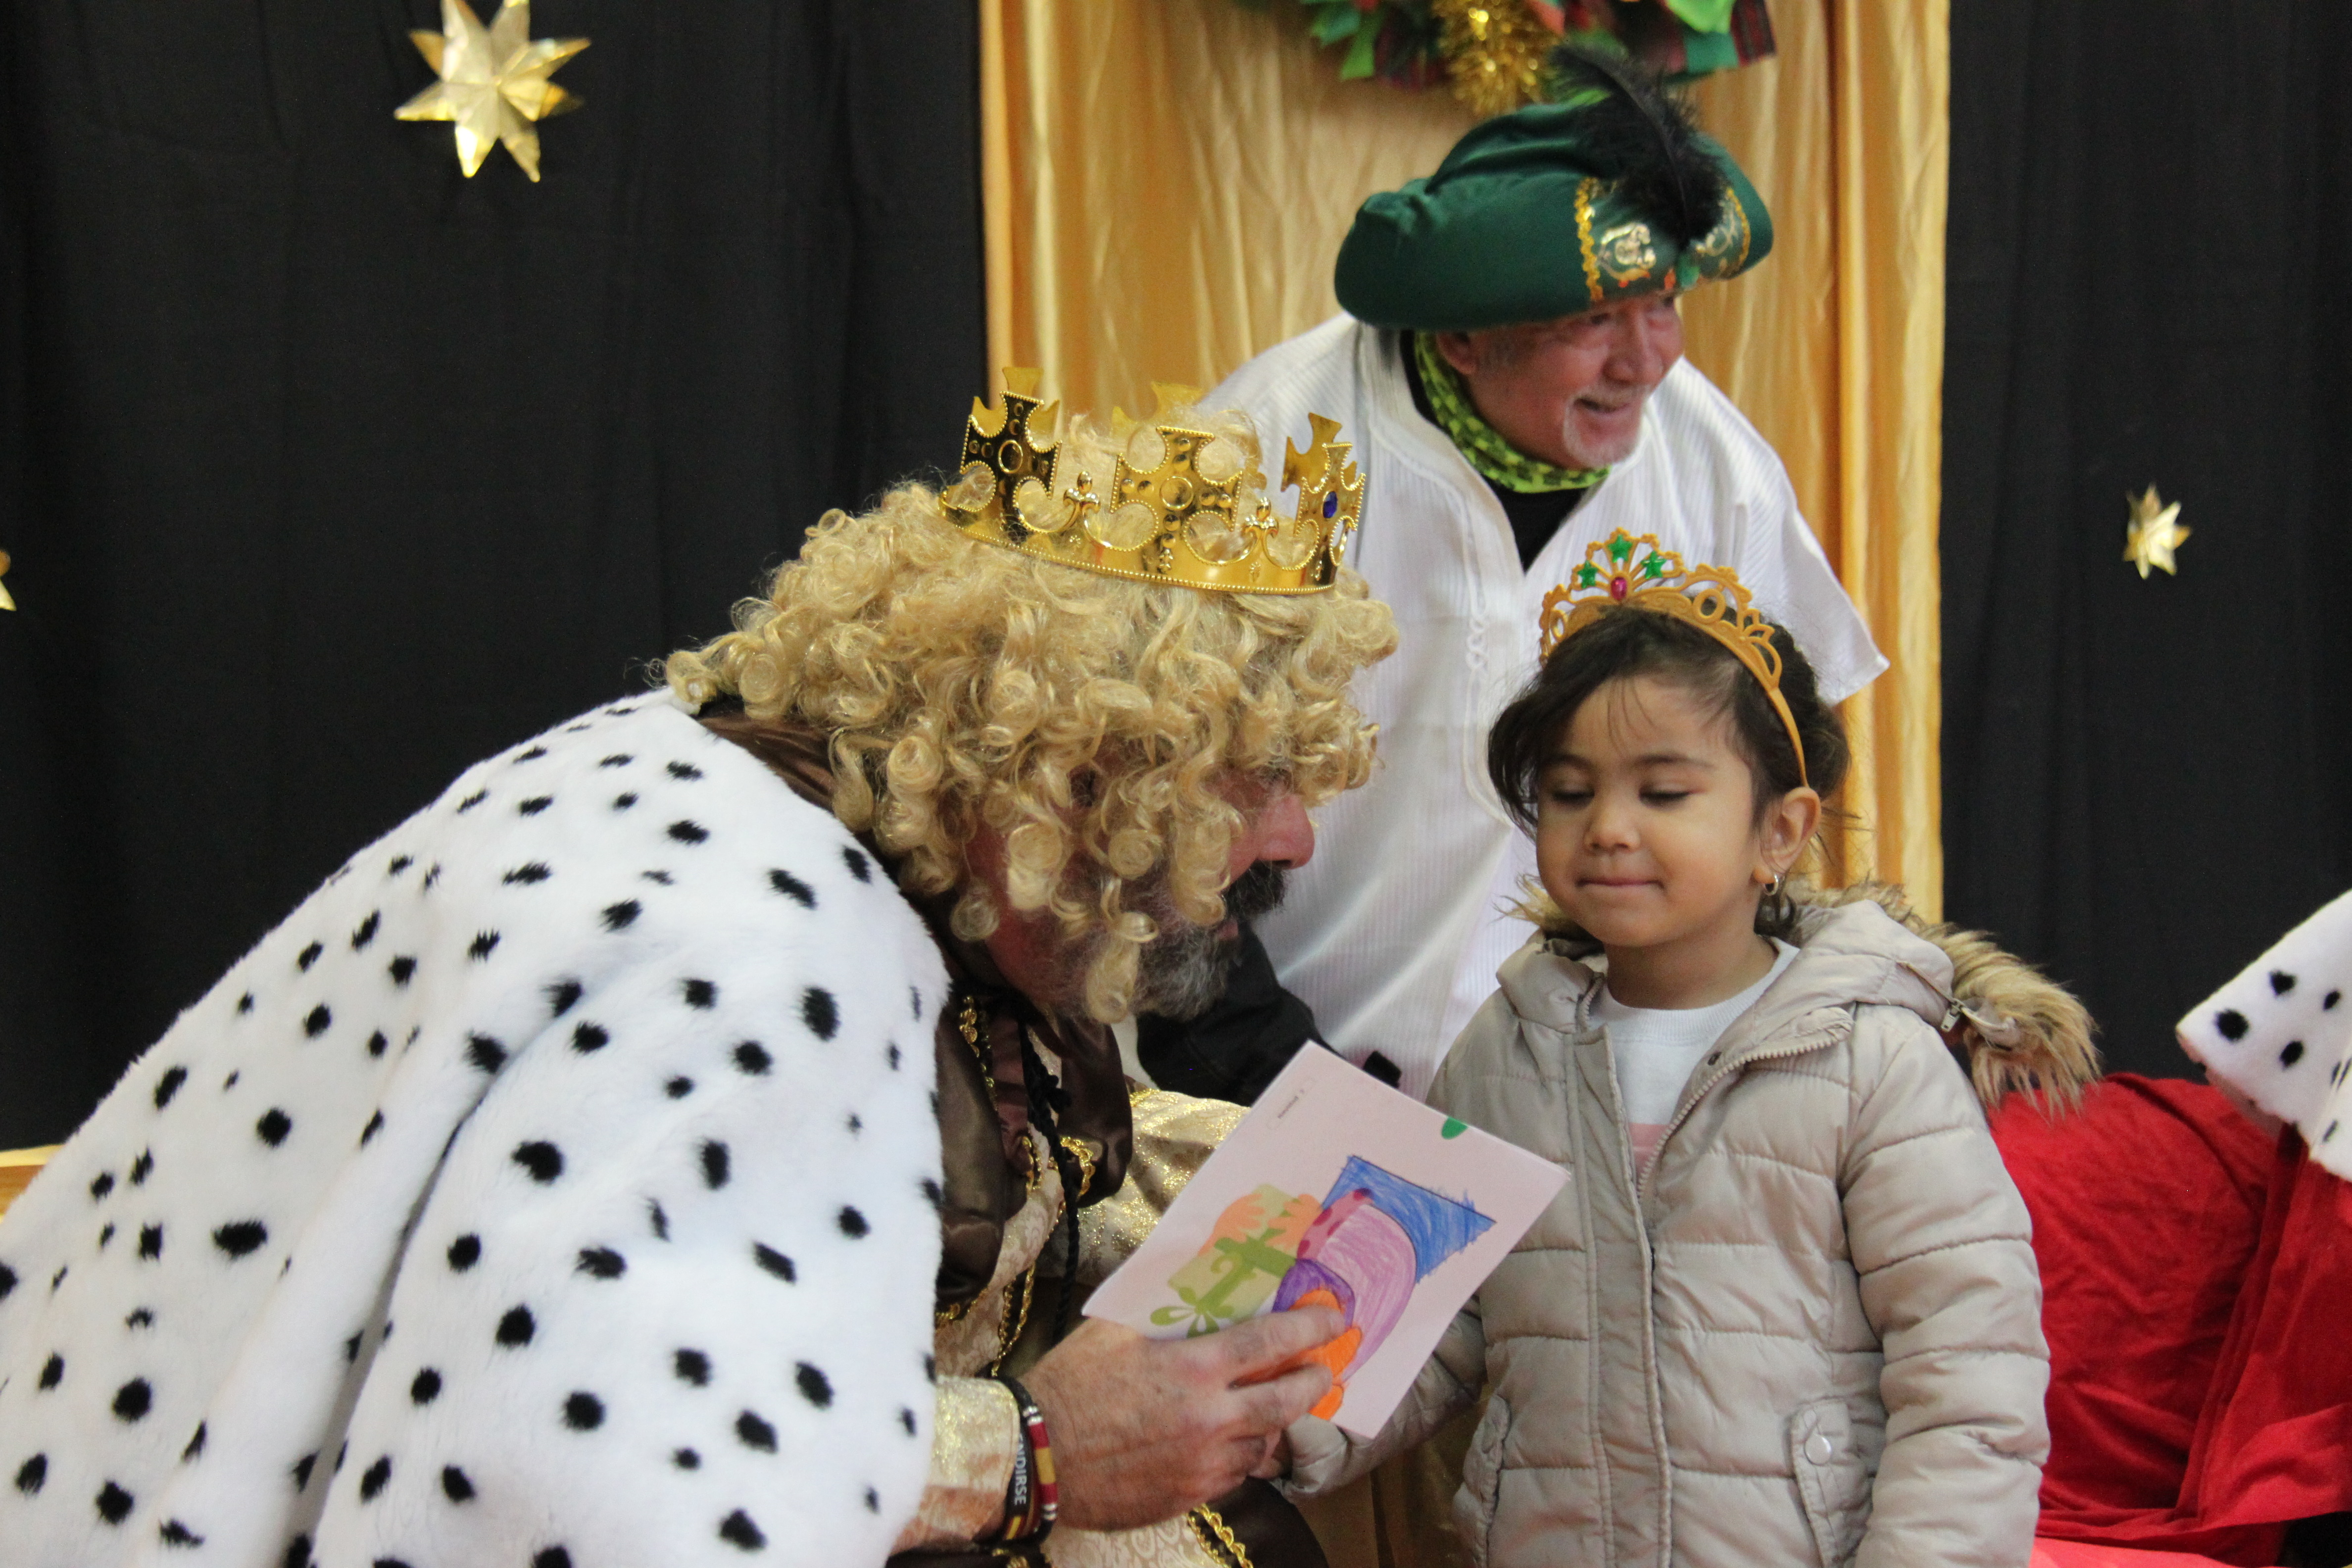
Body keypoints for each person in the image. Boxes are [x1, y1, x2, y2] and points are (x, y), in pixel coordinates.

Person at [0, 382, 1396, 1567]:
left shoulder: (839, 831)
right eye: (1255, 773)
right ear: (1070, 770)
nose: (1293, 836)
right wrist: (1035, 1452)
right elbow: (571, 1484)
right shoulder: (736, 952)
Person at [1280, 529, 2090, 1567]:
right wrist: (1289, 1416)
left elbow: (1969, 1378)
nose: (1609, 828)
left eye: (1663, 794)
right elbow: (1443, 1328)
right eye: (1571, 793)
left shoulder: (1873, 1060)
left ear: (1780, 833)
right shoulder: (1504, 1048)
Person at [1181, 49, 1886, 1102]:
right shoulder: (1267, 445)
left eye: (1662, 303)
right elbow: (1157, 825)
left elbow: (1784, 768)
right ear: (1465, 338)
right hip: (1266, 1072)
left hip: (1594, 1092)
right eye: (1595, 321)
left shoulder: (1710, 459)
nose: (1646, 360)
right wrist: (1272, 1082)